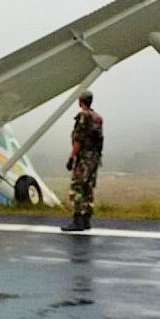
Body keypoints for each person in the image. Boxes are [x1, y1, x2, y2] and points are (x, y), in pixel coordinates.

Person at [61, 90, 103, 232]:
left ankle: (77, 219)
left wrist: (71, 157)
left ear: (81, 101)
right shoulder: (97, 118)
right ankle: (86, 219)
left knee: (77, 187)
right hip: (94, 158)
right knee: (88, 187)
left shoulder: (82, 117)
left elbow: (78, 140)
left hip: (84, 158)